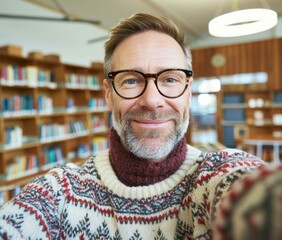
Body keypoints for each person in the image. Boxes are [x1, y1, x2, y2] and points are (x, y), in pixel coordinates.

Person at [0, 13, 281, 240]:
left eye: (170, 79)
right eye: (131, 80)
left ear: (188, 91)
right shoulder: (61, 191)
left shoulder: (217, 173)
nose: (152, 100)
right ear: (108, 94)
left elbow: (253, 191)